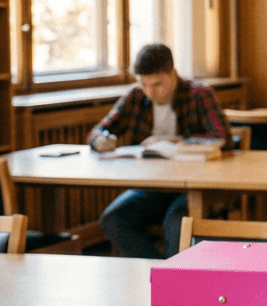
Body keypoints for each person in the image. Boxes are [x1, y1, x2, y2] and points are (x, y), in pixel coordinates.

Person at [89, 43, 230, 258]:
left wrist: (176, 141)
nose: (150, 92)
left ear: (173, 75)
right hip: (151, 186)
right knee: (112, 219)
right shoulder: (135, 97)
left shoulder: (198, 94)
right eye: (144, 84)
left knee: (177, 221)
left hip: (193, 187)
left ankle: (171, 283)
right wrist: (101, 140)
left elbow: (223, 137)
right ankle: (158, 271)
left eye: (157, 84)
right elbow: (99, 130)